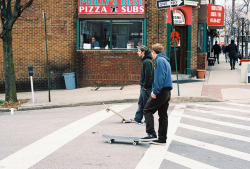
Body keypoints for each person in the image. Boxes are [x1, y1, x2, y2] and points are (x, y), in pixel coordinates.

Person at [140, 43, 173, 145]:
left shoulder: (159, 60)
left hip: (161, 91)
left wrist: (155, 92)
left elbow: (159, 77)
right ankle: (162, 138)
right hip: (167, 91)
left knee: (147, 110)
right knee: (163, 115)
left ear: (154, 52)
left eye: (152, 53)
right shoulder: (166, 61)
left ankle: (151, 133)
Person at [131, 45, 154, 124]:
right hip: (144, 86)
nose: (137, 52)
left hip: (146, 87)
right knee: (141, 102)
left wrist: (145, 86)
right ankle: (138, 118)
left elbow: (148, 76)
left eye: (139, 51)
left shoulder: (147, 62)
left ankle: (147, 120)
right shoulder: (146, 61)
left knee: (145, 104)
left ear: (143, 52)